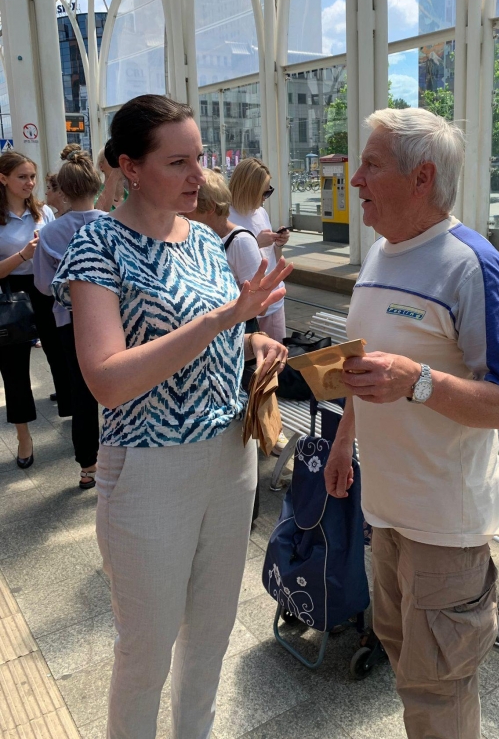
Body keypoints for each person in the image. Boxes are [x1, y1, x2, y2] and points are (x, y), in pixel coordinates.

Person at [52, 94, 292, 738]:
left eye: (200, 158)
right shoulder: (98, 244)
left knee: (211, 636)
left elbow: (211, 334)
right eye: (178, 162)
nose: (198, 176)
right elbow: (107, 380)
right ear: (130, 167)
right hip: (149, 466)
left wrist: (249, 341)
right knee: (147, 649)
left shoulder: (207, 243)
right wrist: (223, 319)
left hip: (231, 456)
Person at [324, 108, 499, 739]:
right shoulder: (380, 253)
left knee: (438, 687)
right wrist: (343, 440)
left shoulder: (471, 264)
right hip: (386, 511)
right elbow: (367, 364)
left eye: (371, 164)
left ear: (421, 179)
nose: (355, 179)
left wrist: (419, 380)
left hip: (445, 524)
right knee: (404, 660)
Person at [186, 170, 290, 457]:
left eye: (189, 210)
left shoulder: (239, 241)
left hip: (241, 331)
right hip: (228, 331)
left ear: (208, 208)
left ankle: (270, 439)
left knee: (252, 392)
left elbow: (259, 302)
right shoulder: (208, 237)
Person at [34, 149, 106, 489]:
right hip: (113, 319)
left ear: (62, 190)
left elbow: (42, 285)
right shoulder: (111, 225)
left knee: (81, 392)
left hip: (70, 321)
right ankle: (125, 457)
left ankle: (88, 465)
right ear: (96, 185)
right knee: (124, 385)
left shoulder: (50, 234)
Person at [0, 152, 72, 468]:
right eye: (22, 177)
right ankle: (23, 437)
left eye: (32, 176)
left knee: (62, 356)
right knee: (14, 370)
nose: (30, 183)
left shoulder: (43, 212)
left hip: (45, 289)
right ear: (3, 178)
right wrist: (23, 255)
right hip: (9, 295)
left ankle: (75, 419)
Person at [229, 157, 290, 342]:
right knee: (249, 356)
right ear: (248, 190)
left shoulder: (261, 213)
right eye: (264, 193)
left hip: (273, 300)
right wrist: (255, 243)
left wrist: (278, 243)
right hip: (244, 306)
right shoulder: (226, 216)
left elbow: (272, 257)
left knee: (275, 356)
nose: (265, 198)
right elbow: (225, 257)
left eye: (269, 191)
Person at [95, 147, 127, 211]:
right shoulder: (95, 195)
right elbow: (98, 213)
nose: (119, 163)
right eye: (112, 160)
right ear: (101, 166)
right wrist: (115, 175)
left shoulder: (131, 197)